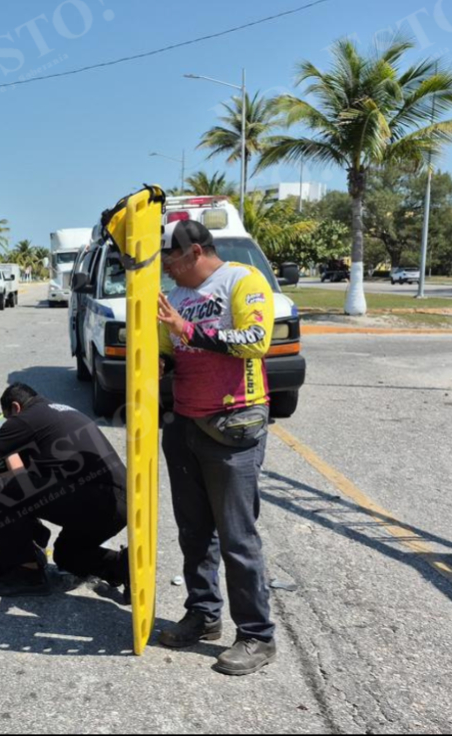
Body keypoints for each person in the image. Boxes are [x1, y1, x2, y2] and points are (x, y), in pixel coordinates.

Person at [155, 218, 277, 677]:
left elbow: (255, 342)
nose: (167, 267)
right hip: (186, 423)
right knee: (193, 532)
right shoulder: (178, 297)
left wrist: (186, 329)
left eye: (171, 258)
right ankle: (203, 614)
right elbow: (169, 351)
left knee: (237, 537)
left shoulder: (243, 282)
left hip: (233, 424)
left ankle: (257, 636)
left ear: (196, 252)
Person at [0, 383, 129, 599]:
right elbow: (36, 477)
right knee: (67, 555)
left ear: (15, 408)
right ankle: (123, 566)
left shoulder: (27, 417)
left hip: (101, 497)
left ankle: (26, 573)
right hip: (119, 504)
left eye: (10, 419)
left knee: (8, 491)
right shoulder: (56, 411)